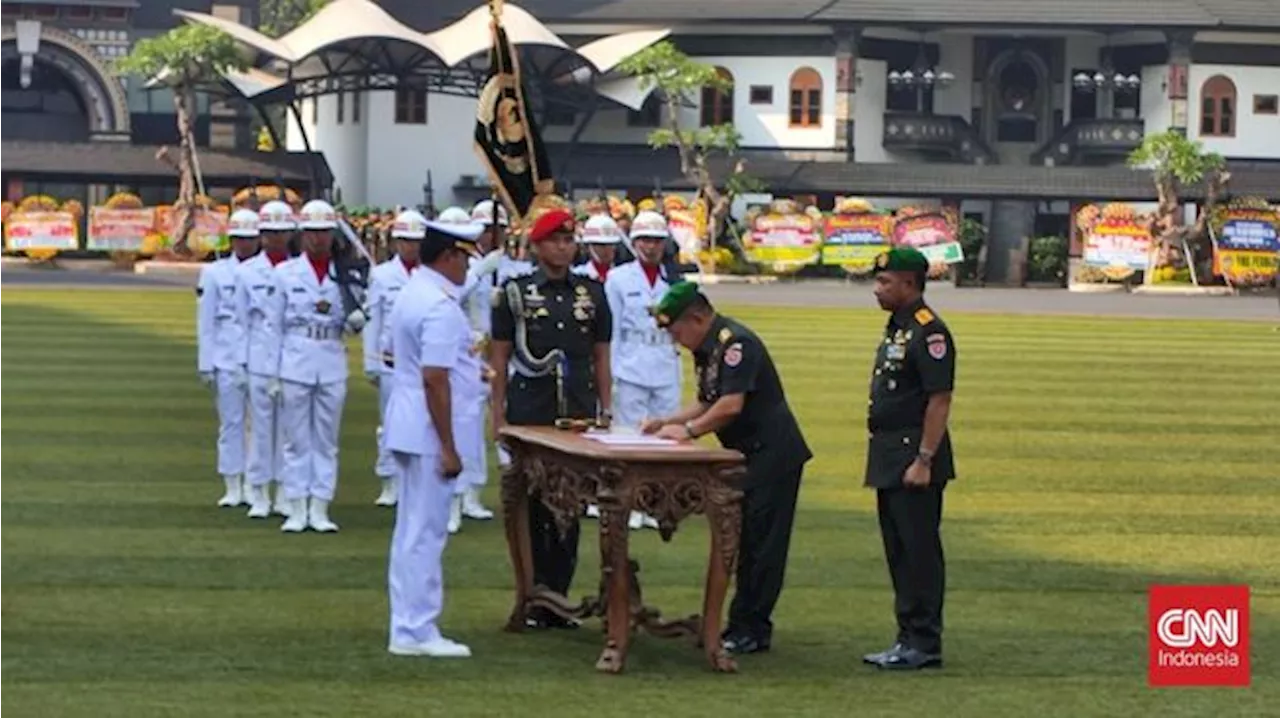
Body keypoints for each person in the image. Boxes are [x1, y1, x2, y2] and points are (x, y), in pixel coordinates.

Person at [642, 281, 811, 655]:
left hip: (772, 455)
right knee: (744, 537)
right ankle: (739, 623)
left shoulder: (736, 345)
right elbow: (707, 401)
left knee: (762, 545)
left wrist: (686, 432)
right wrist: (665, 422)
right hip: (746, 455)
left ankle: (752, 628)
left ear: (698, 318)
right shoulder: (708, 347)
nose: (675, 339)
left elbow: (730, 405)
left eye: (677, 331)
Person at [490, 207, 613, 629]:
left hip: (576, 407)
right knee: (531, 503)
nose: (564, 247)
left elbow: (601, 354)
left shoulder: (592, 292)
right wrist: (498, 416)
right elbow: (500, 356)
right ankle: (533, 592)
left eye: (568, 240)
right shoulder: (515, 292)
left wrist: (606, 407)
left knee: (571, 503)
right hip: (531, 409)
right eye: (555, 240)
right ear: (538, 246)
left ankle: (557, 595)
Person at [382, 215, 484, 658]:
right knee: (425, 532)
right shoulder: (439, 304)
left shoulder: (414, 292)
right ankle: (416, 629)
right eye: (464, 257)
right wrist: (448, 446)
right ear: (447, 257)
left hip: (409, 421)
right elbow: (435, 379)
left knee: (411, 530)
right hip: (428, 429)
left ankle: (408, 623)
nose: (467, 267)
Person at [860, 247, 956, 671]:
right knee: (898, 551)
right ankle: (906, 638)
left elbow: (939, 400)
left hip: (913, 456)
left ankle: (924, 641)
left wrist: (924, 458)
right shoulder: (898, 327)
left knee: (918, 551)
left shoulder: (928, 331)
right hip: (889, 453)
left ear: (910, 284)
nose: (877, 289)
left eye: (885, 282)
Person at [270, 199, 363, 533]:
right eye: (312, 232)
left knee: (326, 439)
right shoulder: (285, 274)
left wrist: (357, 320)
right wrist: (273, 372)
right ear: (302, 234)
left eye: (323, 232)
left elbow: (356, 318)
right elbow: (274, 325)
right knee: (296, 439)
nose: (317, 239)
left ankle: (320, 506)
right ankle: (296, 506)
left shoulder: (346, 272)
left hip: (331, 355)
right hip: (295, 356)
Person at [436, 205, 496, 533]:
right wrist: (479, 273)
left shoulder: (496, 262)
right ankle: (452, 499)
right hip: (457, 352)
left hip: (487, 349)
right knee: (456, 424)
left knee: (475, 428)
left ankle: (472, 493)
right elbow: (453, 296)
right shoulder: (456, 268)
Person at [196, 208, 261, 508]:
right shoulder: (215, 272)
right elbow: (206, 321)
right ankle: (232, 484)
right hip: (226, 357)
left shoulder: (269, 271)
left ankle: (254, 483)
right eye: (239, 239)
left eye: (249, 239)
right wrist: (205, 363)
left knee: (261, 426)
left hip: (260, 358)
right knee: (231, 424)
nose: (244, 245)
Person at [239, 199, 297, 518]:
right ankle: (258, 490)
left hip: (292, 359)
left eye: (281, 232)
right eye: (270, 233)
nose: (276, 238)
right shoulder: (247, 273)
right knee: (260, 429)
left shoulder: (297, 269)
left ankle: (286, 492)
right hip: (259, 359)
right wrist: (241, 364)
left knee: (289, 430)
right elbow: (241, 321)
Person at [363, 209, 425, 508]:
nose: (410, 246)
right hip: (391, 359)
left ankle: (417, 481)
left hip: (425, 362)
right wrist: (370, 362)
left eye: (415, 241)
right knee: (389, 423)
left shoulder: (431, 274)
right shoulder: (382, 275)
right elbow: (373, 319)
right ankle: (389, 480)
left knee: (424, 423)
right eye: (404, 240)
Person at [571, 214, 620, 282]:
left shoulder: (625, 276)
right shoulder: (576, 276)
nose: (607, 249)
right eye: (600, 245)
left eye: (611, 244)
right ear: (587, 248)